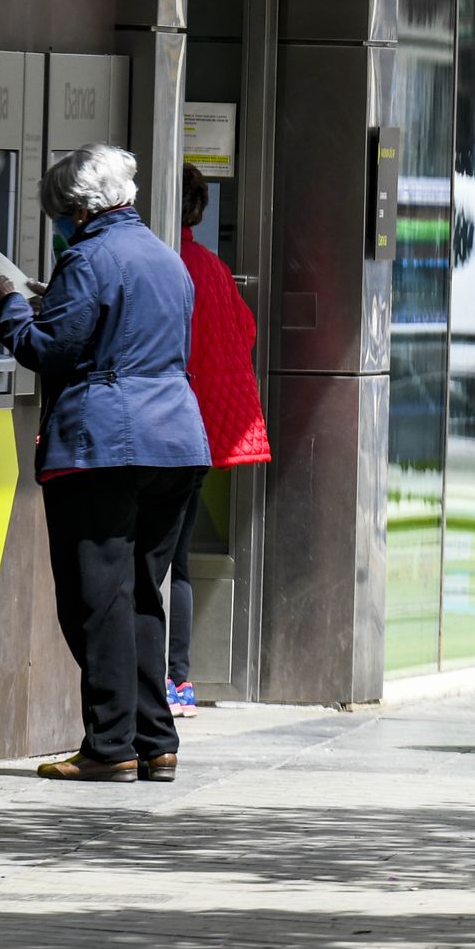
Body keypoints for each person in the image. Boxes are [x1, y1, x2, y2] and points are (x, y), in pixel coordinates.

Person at [0, 143, 210, 783]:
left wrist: (8, 300)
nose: (57, 223)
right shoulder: (167, 258)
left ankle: (109, 747)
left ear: (77, 210)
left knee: (96, 600)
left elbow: (49, 350)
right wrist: (48, 296)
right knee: (140, 593)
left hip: (105, 446)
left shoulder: (86, 257)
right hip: (176, 443)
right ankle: (154, 742)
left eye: (58, 212)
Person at [167, 163, 272, 719]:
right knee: (177, 560)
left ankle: (150, 679)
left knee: (144, 562)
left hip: (155, 433)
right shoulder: (210, 268)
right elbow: (246, 330)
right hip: (200, 434)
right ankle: (177, 680)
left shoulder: (164, 265)